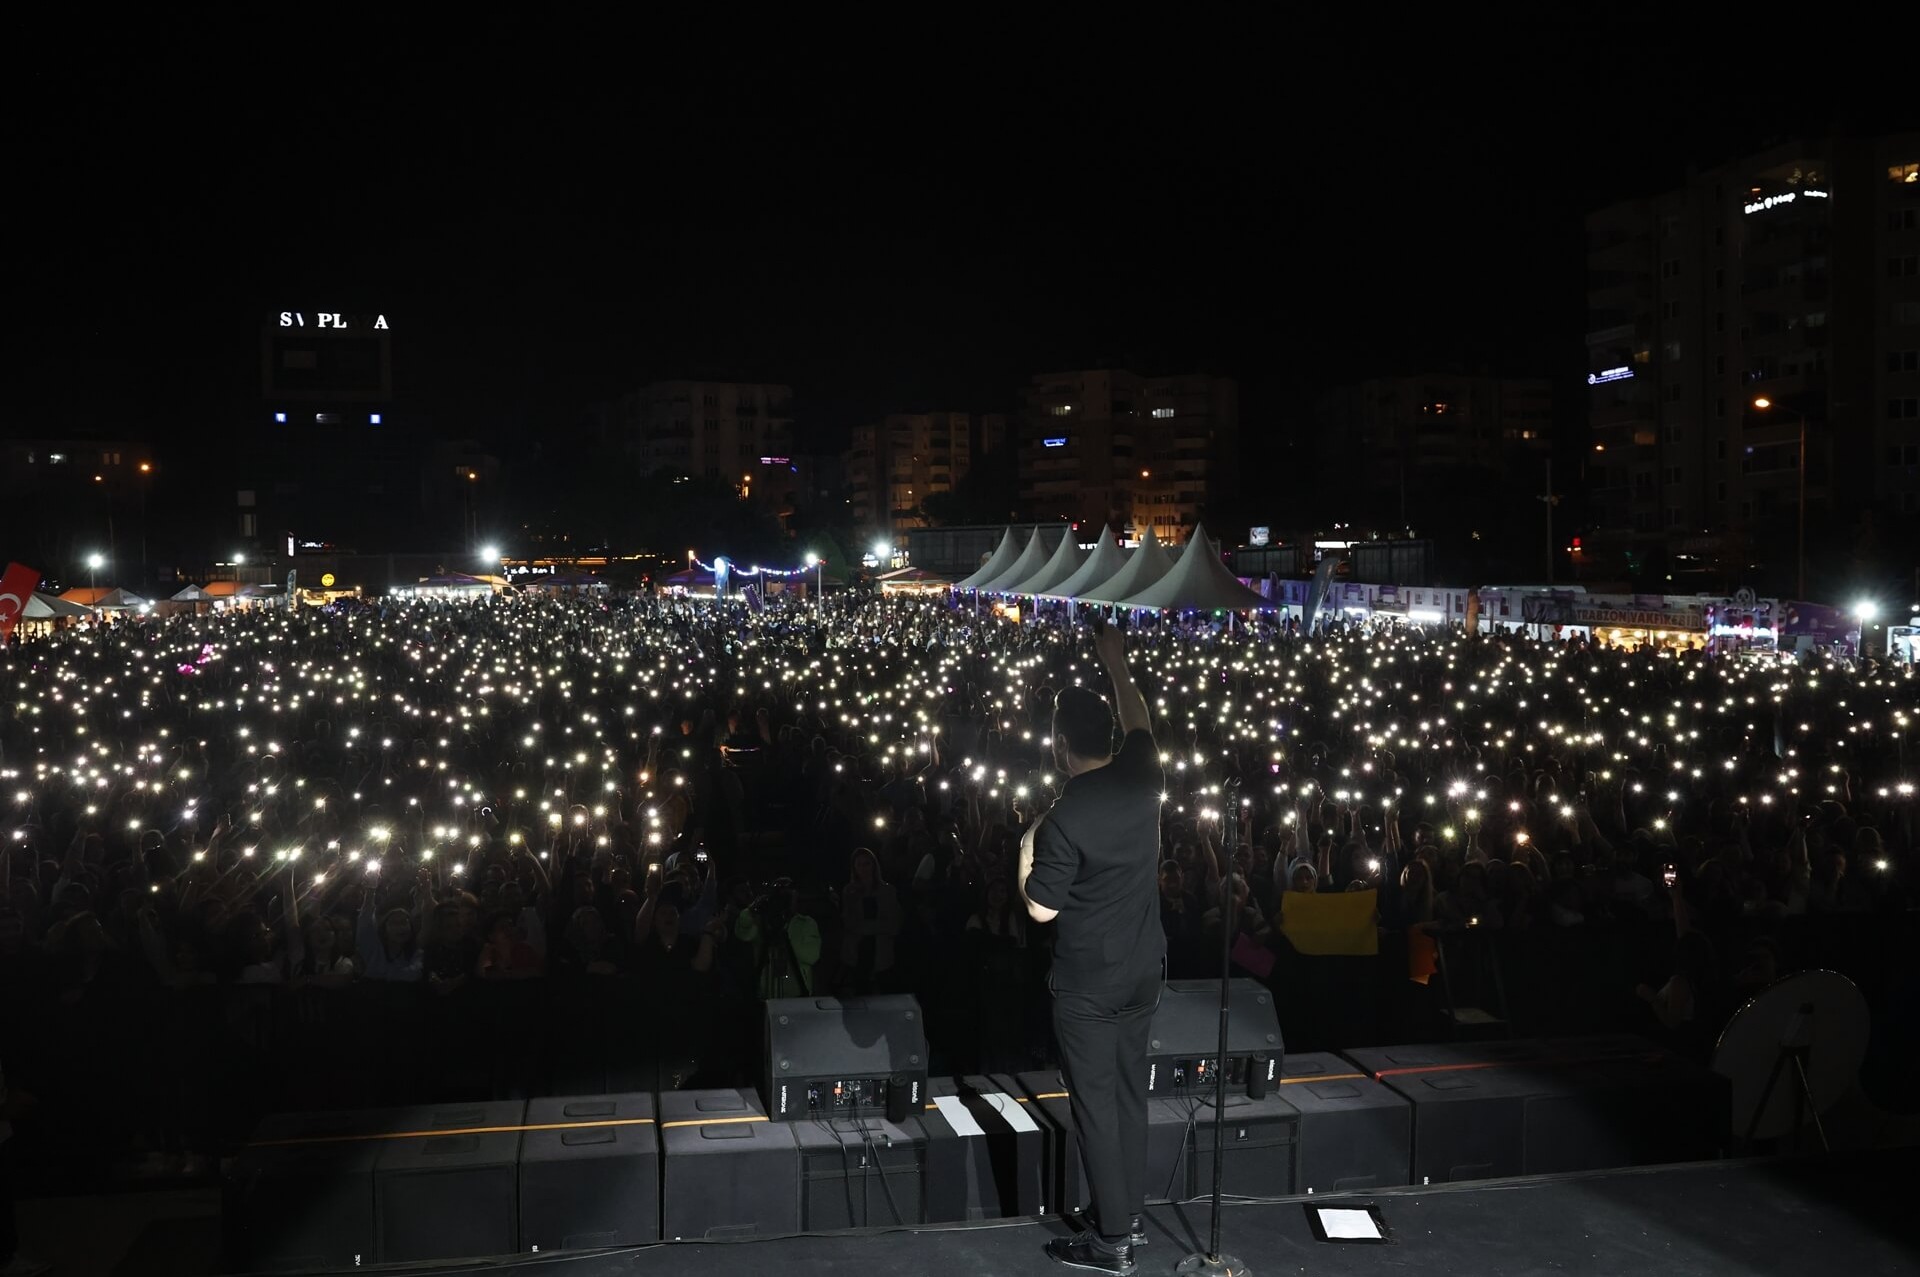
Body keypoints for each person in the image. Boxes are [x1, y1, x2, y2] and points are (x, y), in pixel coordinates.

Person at [1019, 615, 1161, 1275]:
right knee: (1131, 1095)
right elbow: (1140, 721)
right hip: (1142, 969)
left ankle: (1110, 1242)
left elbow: (1041, 908)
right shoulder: (1143, 773)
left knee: (1096, 1107)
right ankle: (1128, 1214)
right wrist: (1117, 661)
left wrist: (1027, 846)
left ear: (1058, 744)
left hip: (1087, 985)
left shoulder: (1066, 814)